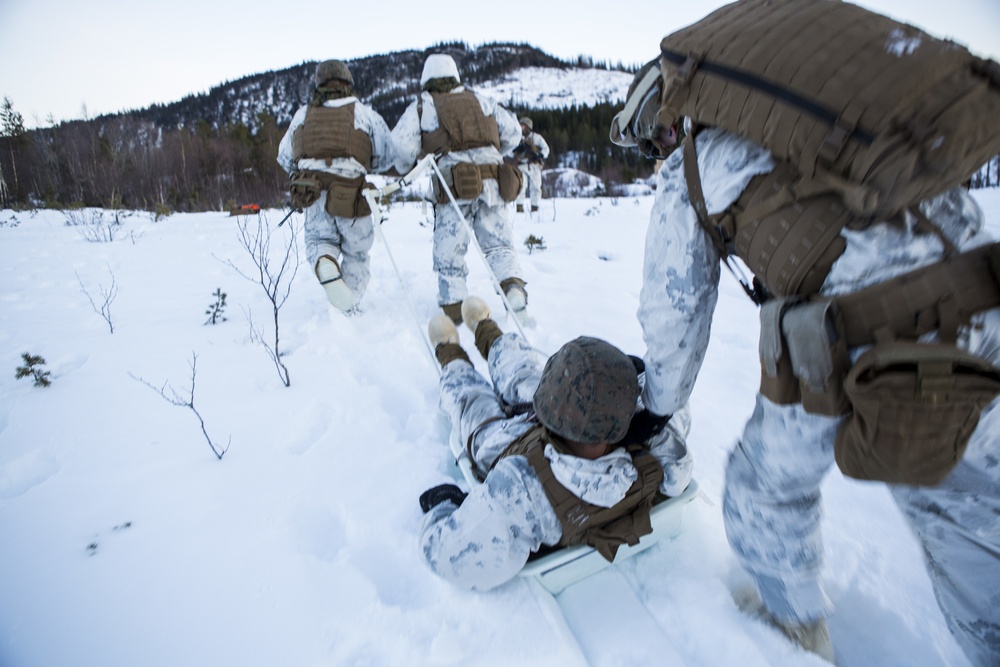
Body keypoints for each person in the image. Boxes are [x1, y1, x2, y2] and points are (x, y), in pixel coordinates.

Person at [611, 35, 1000, 667]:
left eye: (656, 139)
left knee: (763, 488)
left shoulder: (696, 167)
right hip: (984, 299)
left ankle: (793, 635)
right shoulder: (825, 122)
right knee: (979, 516)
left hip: (870, 340)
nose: (661, 152)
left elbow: (673, 316)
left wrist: (657, 407)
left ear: (671, 114)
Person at [418, 296, 694, 591]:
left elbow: (443, 555)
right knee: (526, 381)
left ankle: (452, 351)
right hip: (577, 434)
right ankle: (484, 330)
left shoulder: (518, 489)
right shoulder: (665, 456)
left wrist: (446, 505)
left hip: (509, 446)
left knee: (477, 405)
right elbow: (671, 404)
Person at [391, 54, 529, 324]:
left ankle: (454, 308)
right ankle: (513, 287)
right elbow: (513, 132)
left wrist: (407, 163)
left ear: (427, 78)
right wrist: (492, 151)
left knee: (449, 252)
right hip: (494, 183)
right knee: (499, 247)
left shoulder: (424, 105)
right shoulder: (482, 100)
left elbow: (402, 146)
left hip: (453, 187)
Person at [277, 59, 394, 312]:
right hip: (352, 195)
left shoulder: (302, 115)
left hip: (312, 193)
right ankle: (350, 307)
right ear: (347, 82)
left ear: (319, 84)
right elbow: (386, 156)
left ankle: (325, 259)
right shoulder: (364, 113)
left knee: (320, 241)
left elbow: (285, 158)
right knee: (356, 253)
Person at [513, 116, 550, 214]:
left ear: (528, 127)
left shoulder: (537, 138)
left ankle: (535, 208)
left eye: (523, 126)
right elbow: (509, 151)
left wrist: (539, 155)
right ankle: (519, 208)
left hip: (534, 166)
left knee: (536, 187)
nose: (521, 128)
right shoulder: (516, 138)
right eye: (520, 126)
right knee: (521, 186)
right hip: (522, 166)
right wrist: (516, 150)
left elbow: (546, 149)